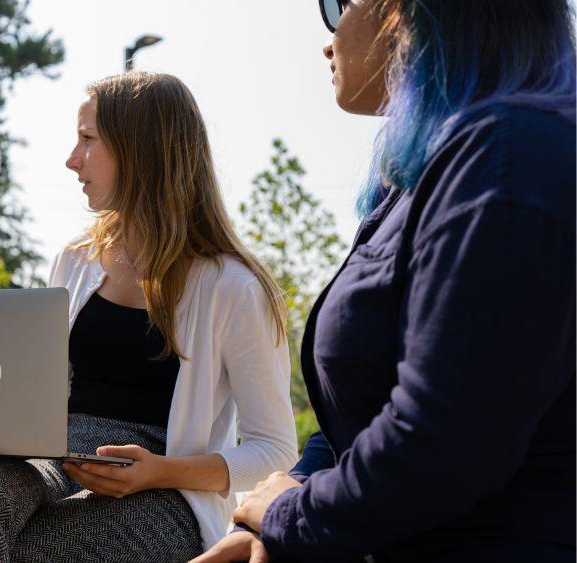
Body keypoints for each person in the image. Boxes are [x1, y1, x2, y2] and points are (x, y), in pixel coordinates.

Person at [196, 1, 576, 561]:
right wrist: (266, 525)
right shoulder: (431, 174)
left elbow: (445, 442)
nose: (328, 39)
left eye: (337, 6)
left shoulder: (510, 157)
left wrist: (289, 516)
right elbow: (355, 417)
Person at [0, 71, 298, 562]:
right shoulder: (75, 259)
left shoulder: (235, 288)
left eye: (87, 140)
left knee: (33, 552)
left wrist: (160, 471)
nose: (71, 159)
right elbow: (36, 397)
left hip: (165, 492)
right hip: (55, 453)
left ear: (141, 152)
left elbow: (275, 452)